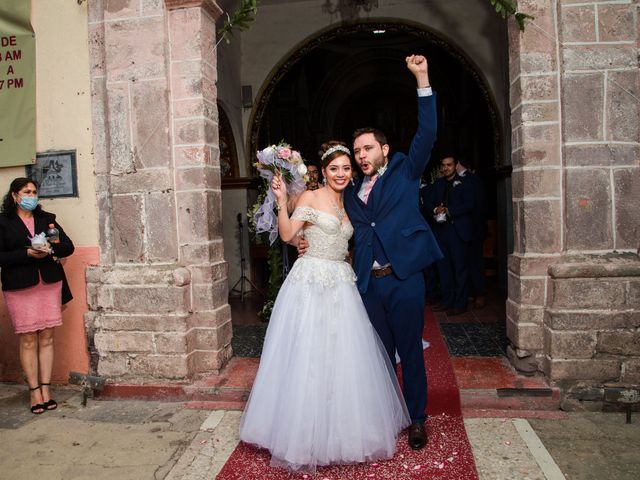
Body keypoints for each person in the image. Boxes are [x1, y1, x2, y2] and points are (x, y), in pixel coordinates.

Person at [239, 142, 410, 472]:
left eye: (346, 168)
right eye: (335, 169)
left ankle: (341, 429)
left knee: (343, 355)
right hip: (311, 280)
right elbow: (289, 235)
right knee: (308, 354)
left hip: (342, 282)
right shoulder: (310, 197)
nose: (342, 174)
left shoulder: (351, 202)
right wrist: (279, 202)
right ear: (324, 169)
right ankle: (303, 432)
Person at [341, 54, 441, 450]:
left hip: (404, 279)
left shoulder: (405, 170)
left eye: (367, 148)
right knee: (379, 358)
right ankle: (386, 415)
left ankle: (417, 418)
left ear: (384, 149)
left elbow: (428, 132)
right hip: (368, 284)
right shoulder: (349, 192)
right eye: (357, 151)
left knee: (410, 353)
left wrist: (422, 79)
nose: (362, 155)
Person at [0, 178, 74, 414]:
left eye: (34, 191)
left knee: (47, 338)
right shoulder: (3, 222)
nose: (31, 195)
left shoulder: (46, 219)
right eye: (26, 191)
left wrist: (50, 249)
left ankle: (46, 389)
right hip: (21, 286)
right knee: (29, 339)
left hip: (49, 284)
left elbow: (68, 247)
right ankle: (33, 392)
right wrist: (27, 254)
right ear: (14, 195)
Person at [424, 156, 473, 315]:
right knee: (443, 269)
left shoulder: (465, 182)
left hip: (457, 231)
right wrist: (434, 210)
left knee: (459, 269)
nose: (446, 168)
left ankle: (460, 304)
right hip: (440, 231)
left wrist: (449, 210)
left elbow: (469, 204)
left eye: (449, 165)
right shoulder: (437, 185)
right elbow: (426, 202)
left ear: (455, 166)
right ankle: (446, 301)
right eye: (443, 165)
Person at [456, 157, 487, 308]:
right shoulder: (457, 180)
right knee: (465, 263)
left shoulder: (473, 180)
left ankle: (480, 294)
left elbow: (477, 205)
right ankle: (468, 293)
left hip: (474, 228)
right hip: (462, 230)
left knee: (476, 263)